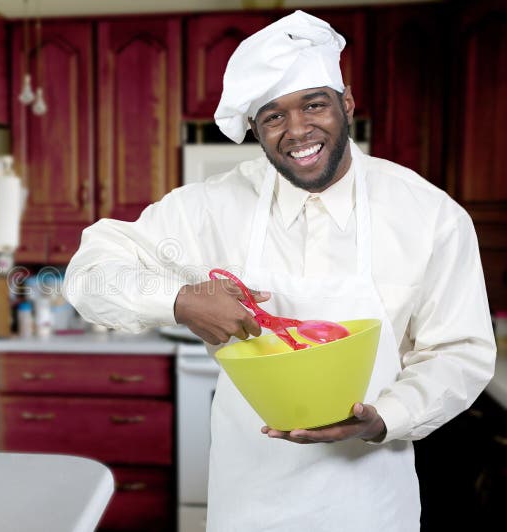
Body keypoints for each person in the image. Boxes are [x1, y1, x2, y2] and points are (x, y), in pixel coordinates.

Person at [63, 9, 497, 532]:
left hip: (369, 505)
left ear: (348, 104)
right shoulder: (211, 208)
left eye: (314, 105)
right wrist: (179, 301)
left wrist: (388, 415)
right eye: (273, 116)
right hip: (249, 505)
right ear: (255, 128)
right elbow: (88, 272)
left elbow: (462, 352)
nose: (296, 130)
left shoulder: (429, 216)